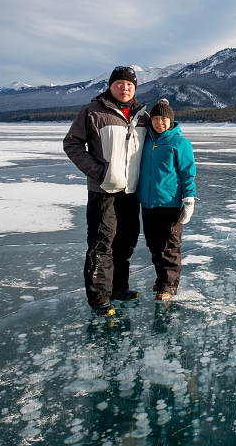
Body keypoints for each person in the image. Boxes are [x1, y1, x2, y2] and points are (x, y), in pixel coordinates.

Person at [63, 66, 149, 317]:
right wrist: (98, 172)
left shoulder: (142, 116)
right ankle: (99, 298)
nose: (125, 88)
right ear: (110, 86)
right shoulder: (92, 112)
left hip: (131, 192)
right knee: (102, 244)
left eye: (130, 85)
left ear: (135, 88)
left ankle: (118, 288)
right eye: (120, 83)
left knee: (126, 242)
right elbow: (72, 144)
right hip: (104, 192)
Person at [137, 98, 197, 301]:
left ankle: (168, 286)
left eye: (164, 119)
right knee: (154, 245)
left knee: (169, 246)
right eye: (155, 119)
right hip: (148, 203)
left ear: (171, 121)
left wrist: (189, 199)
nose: (159, 123)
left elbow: (188, 173)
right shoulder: (146, 141)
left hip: (170, 203)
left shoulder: (180, 143)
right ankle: (161, 280)